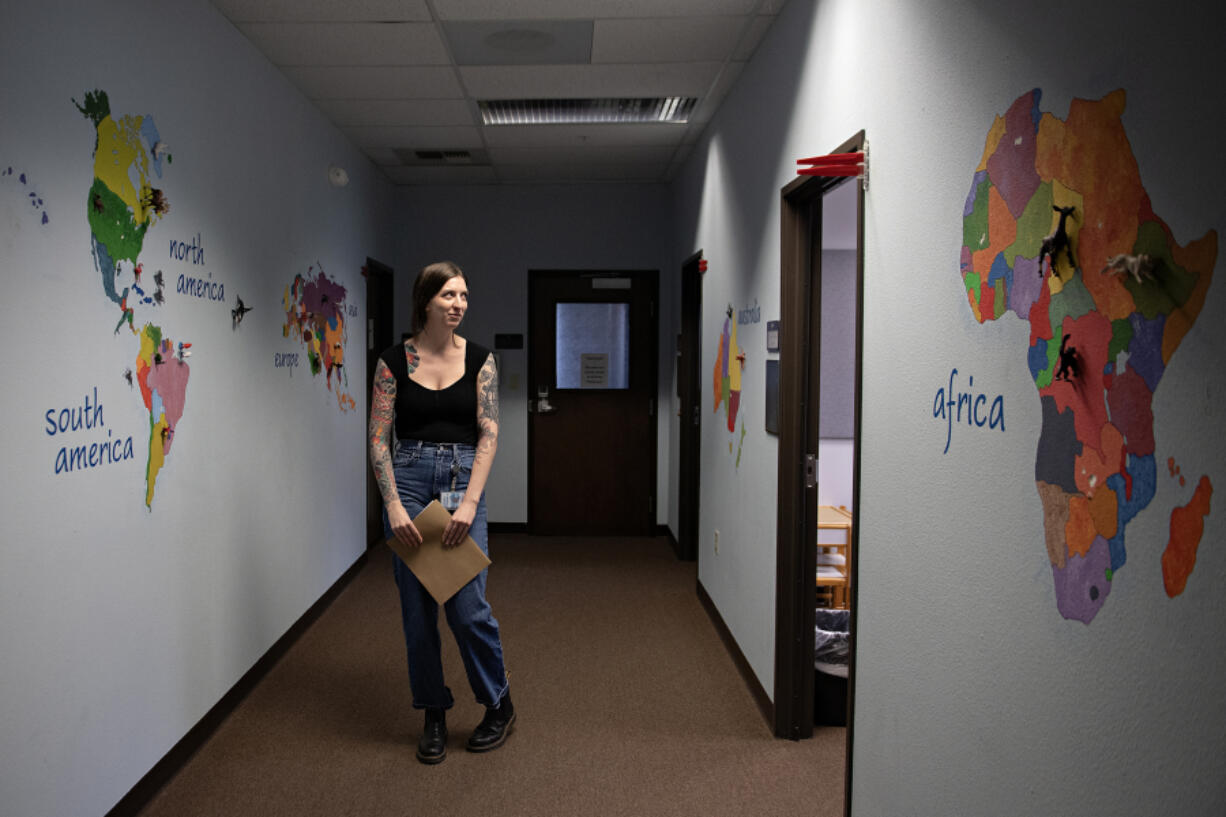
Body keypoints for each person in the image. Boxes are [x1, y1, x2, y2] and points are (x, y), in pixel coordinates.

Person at [368, 261, 514, 765]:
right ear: (425, 301)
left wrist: (471, 502)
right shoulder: (392, 362)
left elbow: (490, 433)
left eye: (464, 296)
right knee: (417, 612)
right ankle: (433, 712)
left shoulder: (480, 360)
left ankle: (499, 703)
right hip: (406, 484)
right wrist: (391, 503)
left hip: (461, 482)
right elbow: (378, 438)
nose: (459, 305)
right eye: (449, 295)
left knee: (467, 608)